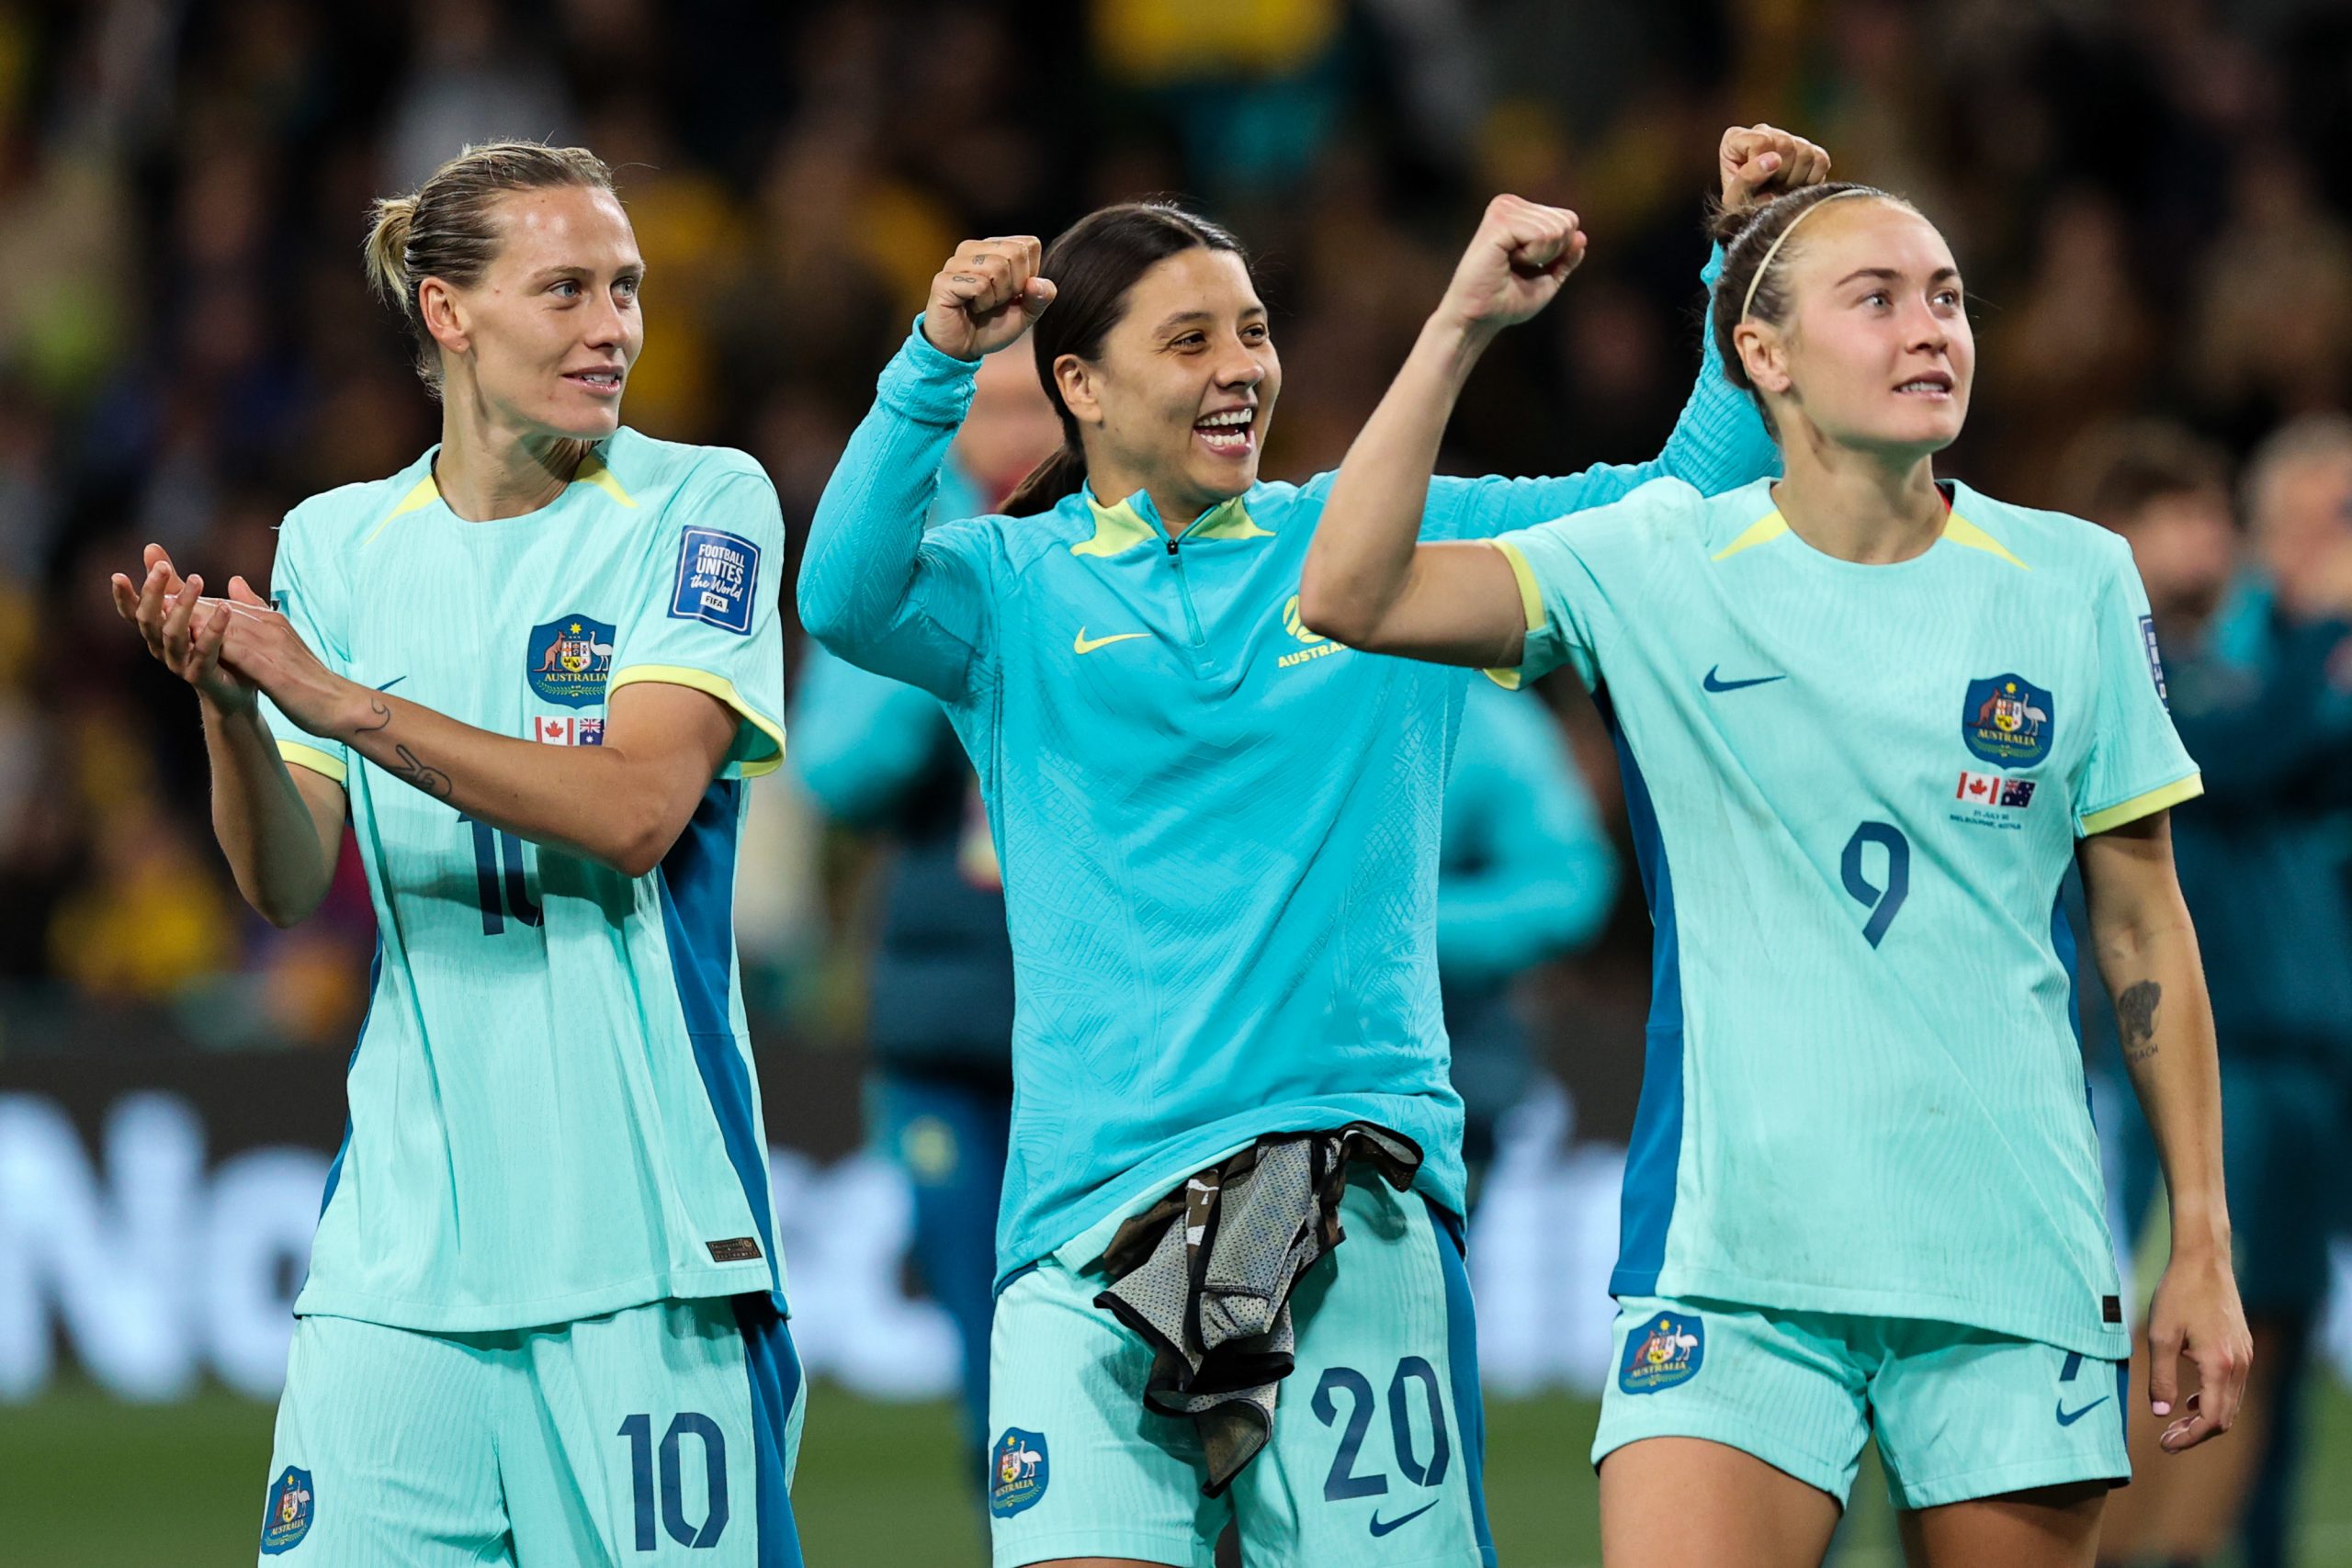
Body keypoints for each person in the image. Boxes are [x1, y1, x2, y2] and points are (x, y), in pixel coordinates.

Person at [801, 125, 1826, 1568]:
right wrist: (934, 362)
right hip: (1089, 1225)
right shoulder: (1008, 590)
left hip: (1347, 1219)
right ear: (1078, 385)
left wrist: (1747, 266)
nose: (1242, 366)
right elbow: (844, 593)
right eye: (1191, 338)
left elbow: (1675, 510)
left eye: (1256, 330)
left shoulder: (1371, 548)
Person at [1296, 180, 2252, 1568]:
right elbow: (1350, 591)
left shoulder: (2073, 578)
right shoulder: (1657, 559)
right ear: (1765, 351)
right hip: (1734, 1264)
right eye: (1876, 298)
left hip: (2007, 1251)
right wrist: (1460, 324)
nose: (1931, 330)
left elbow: (2142, 917)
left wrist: (2202, 1237)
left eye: (1946, 296)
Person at [109, 142, 804, 1566]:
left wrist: (344, 702)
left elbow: (634, 813)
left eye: (627, 288)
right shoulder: (341, 542)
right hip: (399, 1257)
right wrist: (232, 713)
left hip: (647, 1246)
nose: (614, 325)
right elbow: (287, 881)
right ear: (448, 314)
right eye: (566, 289)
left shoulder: (698, 506)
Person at [2072, 423, 2352, 1568]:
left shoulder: (2263, 665)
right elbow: (2238, 753)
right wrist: (2318, 619)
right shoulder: (2148, 671)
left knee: (2273, 1340)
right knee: (2181, 1340)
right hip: (2201, 1061)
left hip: (2298, 1059)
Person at [790, 345, 1057, 1503]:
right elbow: (835, 771)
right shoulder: (898, 567)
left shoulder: (1120, 550)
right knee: (990, 1360)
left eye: (1029, 406)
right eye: (987, 408)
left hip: (1104, 1022)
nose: (1006, 433)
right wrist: (942, 630)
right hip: (948, 1026)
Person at [1439, 679, 1619, 1200]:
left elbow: (1569, 885)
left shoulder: (1480, 714)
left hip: (1452, 1079)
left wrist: (1395, 933)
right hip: (1248, 1075)